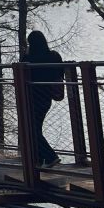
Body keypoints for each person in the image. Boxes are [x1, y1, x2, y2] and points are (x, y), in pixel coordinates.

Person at [21, 30, 65, 168]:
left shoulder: (28, 58)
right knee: (36, 128)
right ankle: (39, 159)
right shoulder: (54, 56)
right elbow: (61, 72)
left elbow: (21, 73)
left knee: (31, 129)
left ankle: (50, 157)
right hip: (46, 97)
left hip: (31, 97)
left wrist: (26, 54)